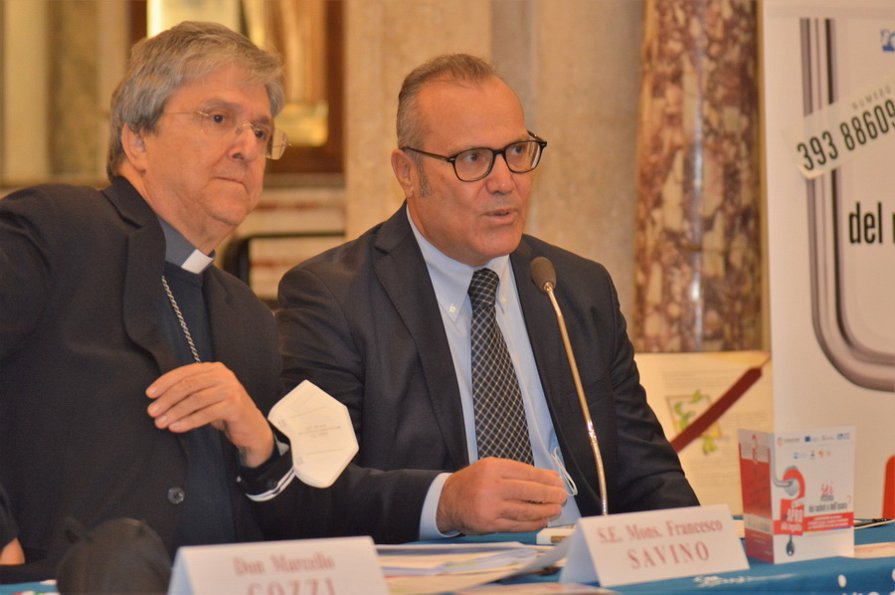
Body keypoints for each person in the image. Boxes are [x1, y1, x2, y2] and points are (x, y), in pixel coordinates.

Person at [271, 53, 699, 543]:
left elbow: (648, 474)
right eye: (472, 159)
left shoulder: (576, 289)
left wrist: (697, 551)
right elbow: (313, 491)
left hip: (581, 562)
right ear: (407, 172)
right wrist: (444, 501)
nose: (504, 182)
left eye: (516, 151)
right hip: (440, 570)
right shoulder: (333, 299)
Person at [0, 21, 294, 582]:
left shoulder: (250, 317)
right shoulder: (56, 230)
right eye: (218, 119)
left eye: (261, 131)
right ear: (137, 138)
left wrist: (261, 446)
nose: (247, 147)